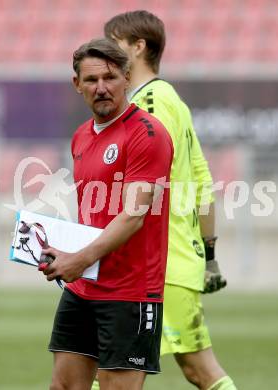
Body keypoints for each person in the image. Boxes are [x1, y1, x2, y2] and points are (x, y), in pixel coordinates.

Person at [99, 10, 237, 390]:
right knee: (113, 371)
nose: (106, 50)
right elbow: (202, 182)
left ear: (138, 47)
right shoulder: (169, 98)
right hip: (168, 259)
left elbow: (141, 190)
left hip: (160, 261)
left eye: (114, 41)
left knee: (197, 369)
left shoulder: (151, 104)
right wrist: (208, 256)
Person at [41, 38, 173, 390]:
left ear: (127, 77)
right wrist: (61, 252)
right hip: (84, 286)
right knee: (64, 386)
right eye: (91, 80)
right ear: (77, 85)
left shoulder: (147, 134)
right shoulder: (81, 136)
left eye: (110, 78)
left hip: (129, 291)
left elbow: (133, 216)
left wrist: (78, 260)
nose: (101, 88)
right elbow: (94, 215)